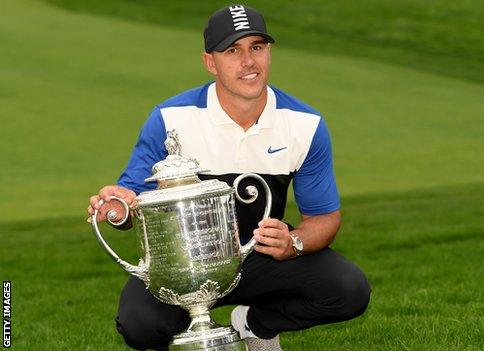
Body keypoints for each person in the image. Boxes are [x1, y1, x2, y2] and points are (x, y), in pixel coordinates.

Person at [87, 4, 371, 351]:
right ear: (210, 62)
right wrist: (116, 209)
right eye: (232, 50)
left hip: (260, 259)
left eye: (257, 47)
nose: (248, 61)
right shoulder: (171, 118)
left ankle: (255, 324)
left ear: (269, 52)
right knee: (140, 326)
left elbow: (324, 218)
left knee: (349, 289)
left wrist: (292, 243)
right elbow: (128, 207)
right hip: (184, 264)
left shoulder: (304, 125)